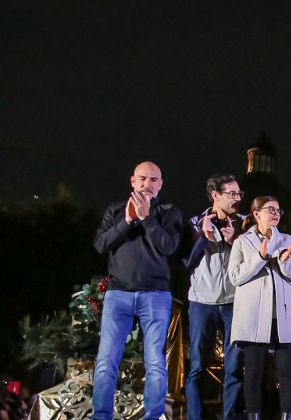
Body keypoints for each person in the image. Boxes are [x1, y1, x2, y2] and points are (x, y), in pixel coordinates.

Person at [92, 161, 182, 420]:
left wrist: (146, 218)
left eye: (154, 179)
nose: (147, 184)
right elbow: (101, 244)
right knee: (106, 359)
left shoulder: (169, 212)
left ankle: (153, 416)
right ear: (132, 181)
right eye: (142, 178)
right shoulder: (115, 210)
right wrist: (128, 220)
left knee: (155, 360)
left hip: (155, 295)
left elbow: (168, 246)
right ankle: (101, 415)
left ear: (160, 184)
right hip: (118, 294)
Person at [228, 196, 291, 420]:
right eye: (270, 209)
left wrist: (284, 262)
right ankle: (253, 416)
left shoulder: (287, 239)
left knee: (287, 371)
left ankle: (288, 416)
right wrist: (260, 256)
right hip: (253, 316)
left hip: (283, 315)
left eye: (279, 210)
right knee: (252, 371)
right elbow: (235, 277)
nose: (276, 214)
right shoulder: (243, 242)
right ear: (256, 214)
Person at [183, 174, 246, 420]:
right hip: (202, 303)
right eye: (232, 193)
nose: (237, 198)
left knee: (234, 368)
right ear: (215, 196)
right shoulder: (194, 223)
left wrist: (233, 239)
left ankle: (230, 416)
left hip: (234, 303)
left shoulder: (243, 222)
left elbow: (252, 259)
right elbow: (188, 261)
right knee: (198, 366)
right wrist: (206, 237)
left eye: (239, 193)